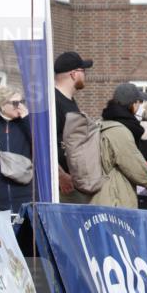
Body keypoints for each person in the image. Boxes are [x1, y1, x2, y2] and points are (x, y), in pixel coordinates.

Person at [93, 84, 147, 209]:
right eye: (139, 102)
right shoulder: (120, 131)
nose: (140, 106)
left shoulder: (102, 123)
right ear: (133, 105)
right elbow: (137, 169)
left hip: (100, 196)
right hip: (115, 200)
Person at [54, 51, 93, 197]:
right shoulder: (53, 102)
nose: (85, 76)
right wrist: (60, 175)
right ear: (74, 74)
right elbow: (42, 144)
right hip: (62, 186)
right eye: (83, 71)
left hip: (74, 180)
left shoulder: (70, 102)